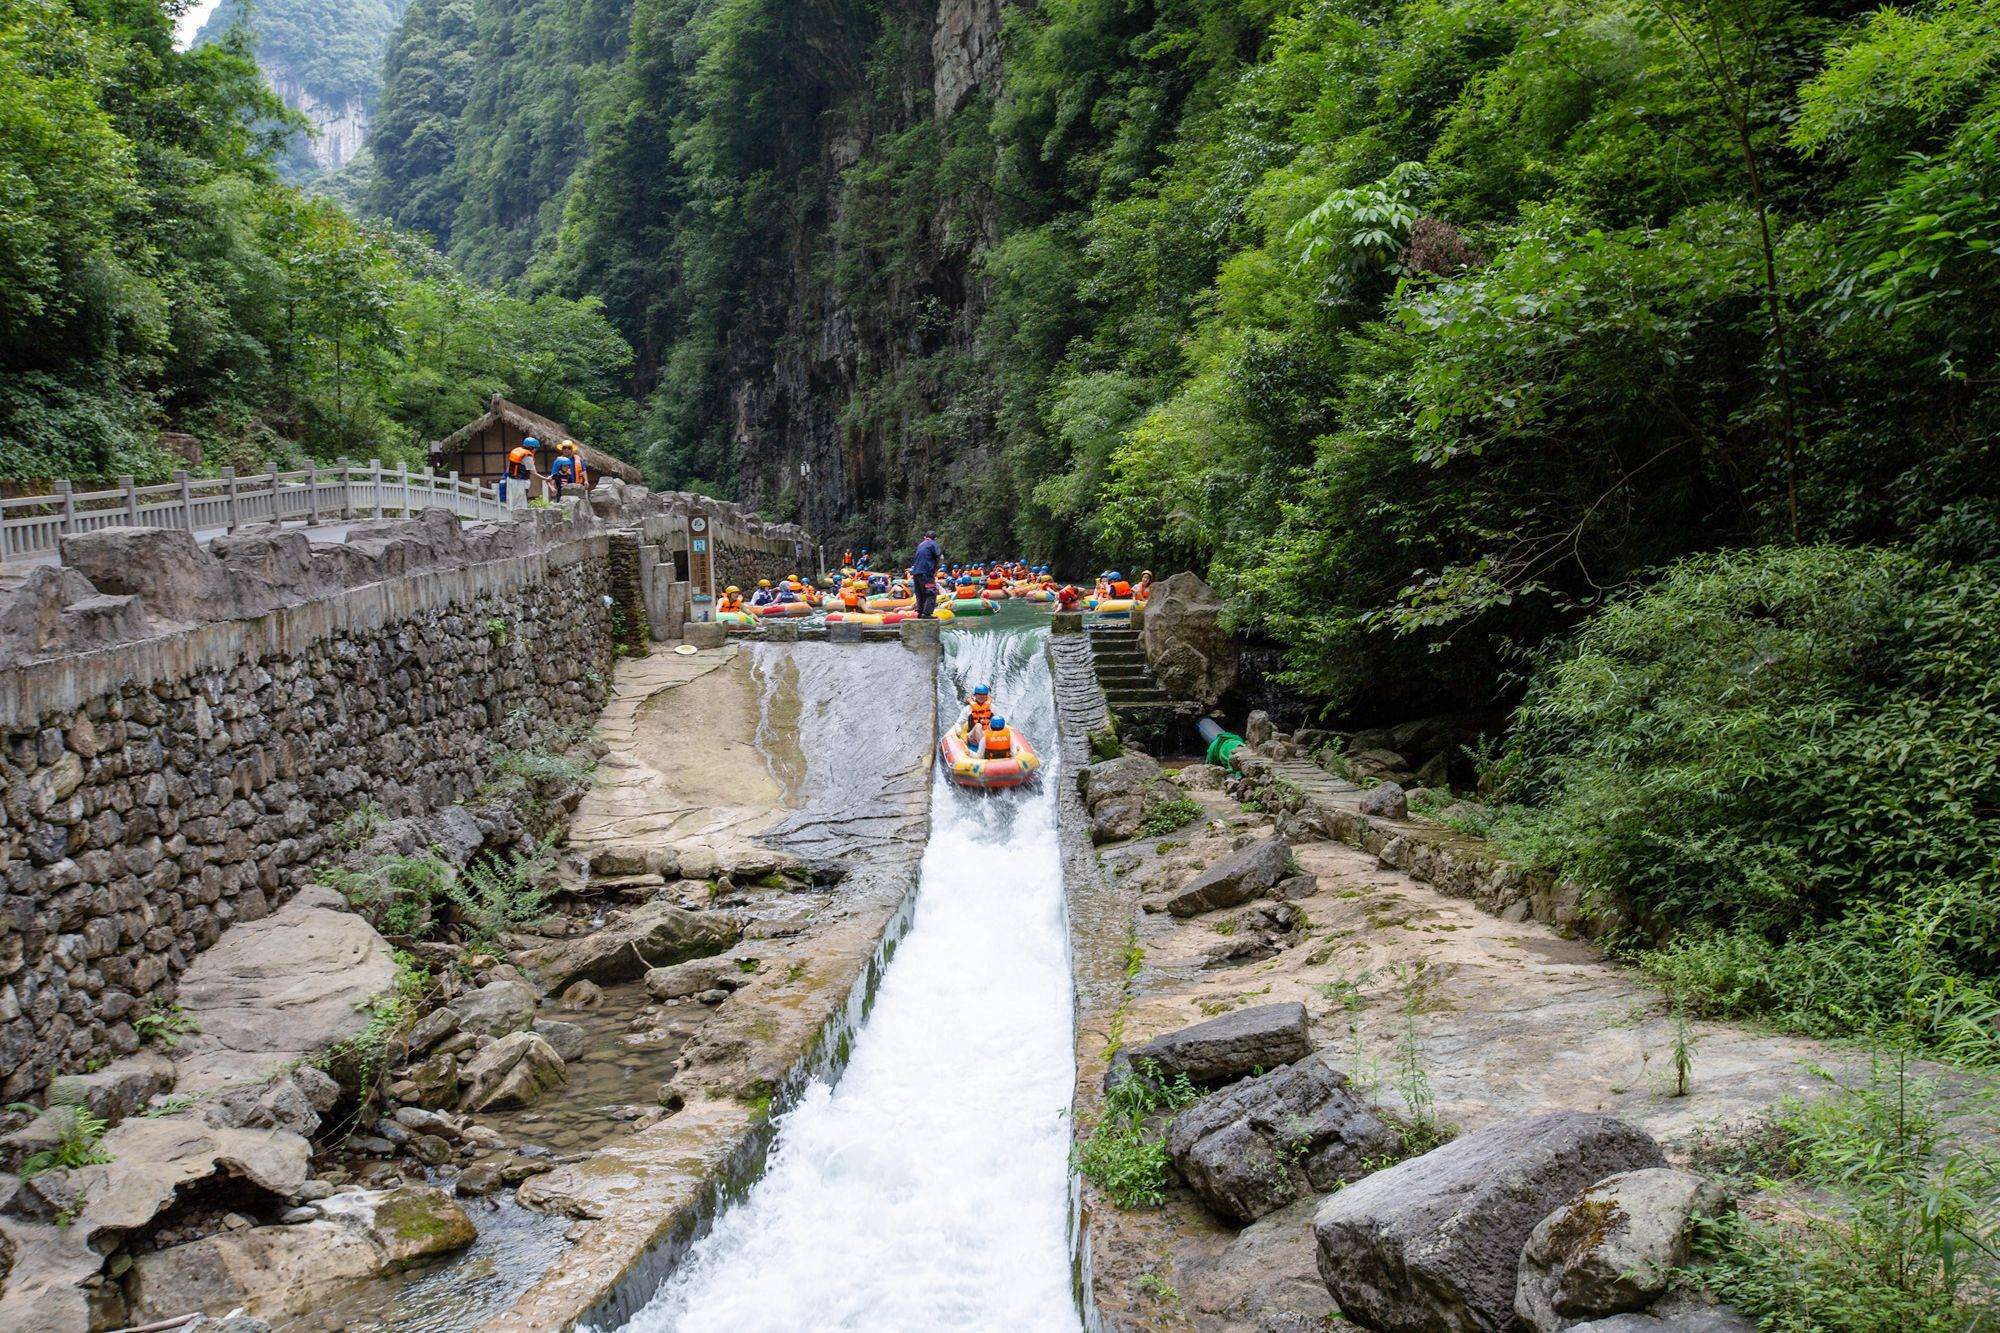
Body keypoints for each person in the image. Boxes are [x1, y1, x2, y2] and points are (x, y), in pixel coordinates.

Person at [912, 529, 942, 618]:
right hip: (926, 573)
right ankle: (927, 613)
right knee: (931, 592)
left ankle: (920, 612)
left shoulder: (920, 545)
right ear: (934, 538)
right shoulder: (933, 544)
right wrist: (936, 569)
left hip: (916, 573)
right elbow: (939, 556)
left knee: (920, 593)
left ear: (925, 537)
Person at [501, 437, 541, 503]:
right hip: (520, 481)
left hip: (511, 480)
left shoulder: (517, 452)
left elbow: (509, 468)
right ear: (531, 448)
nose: (535, 450)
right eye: (535, 448)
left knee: (512, 501)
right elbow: (533, 472)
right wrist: (545, 478)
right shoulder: (527, 457)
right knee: (521, 502)